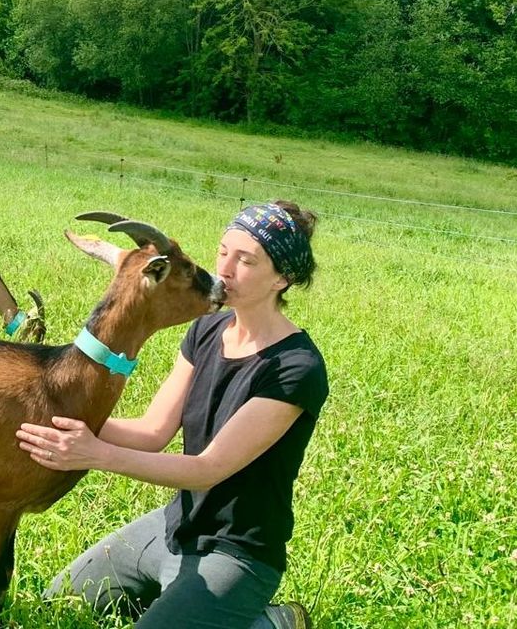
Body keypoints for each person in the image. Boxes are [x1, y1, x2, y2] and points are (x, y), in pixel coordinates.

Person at [16, 200, 327, 629]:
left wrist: (93, 453)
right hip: (173, 527)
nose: (225, 269)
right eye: (223, 252)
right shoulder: (206, 330)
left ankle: (273, 622)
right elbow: (152, 430)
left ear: (283, 277)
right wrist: (59, 418)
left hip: (237, 552)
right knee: (59, 606)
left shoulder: (296, 368)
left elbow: (207, 469)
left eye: (246, 260)